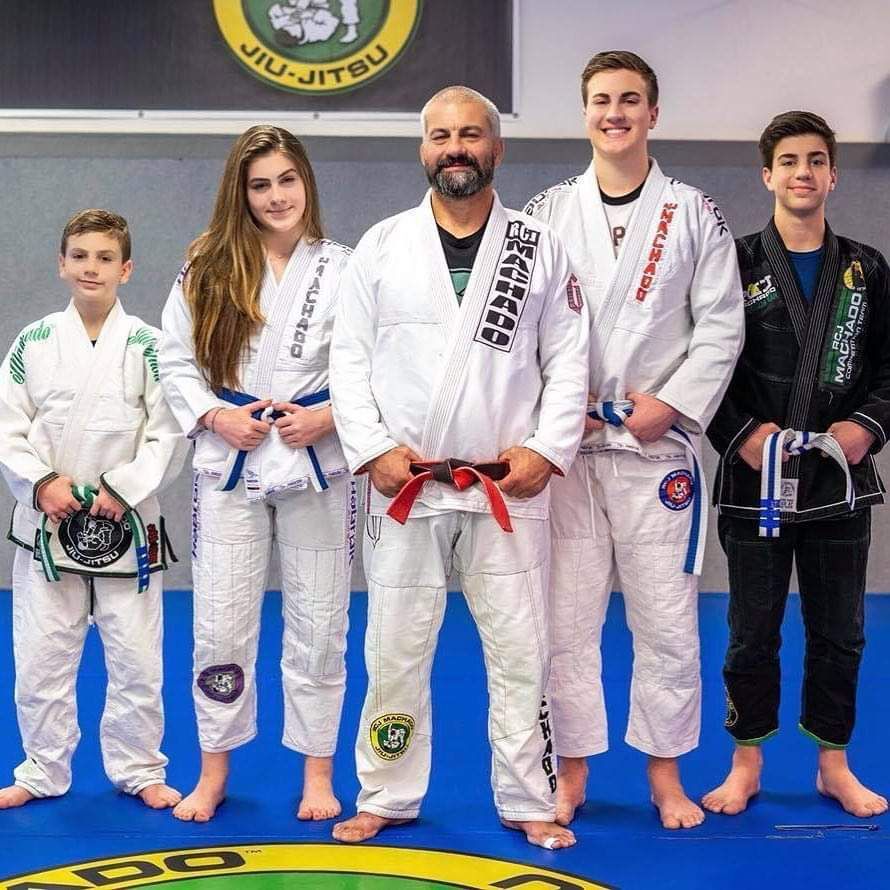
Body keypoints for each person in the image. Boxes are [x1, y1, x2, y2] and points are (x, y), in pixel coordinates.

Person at [329, 86, 589, 849]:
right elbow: (348, 362)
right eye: (440, 135)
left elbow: (569, 360)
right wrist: (373, 448)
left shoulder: (538, 246)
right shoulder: (380, 246)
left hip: (503, 484)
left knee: (520, 652)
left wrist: (545, 450)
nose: (455, 148)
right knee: (395, 649)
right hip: (407, 485)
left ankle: (528, 797)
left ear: (496, 148)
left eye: (470, 134)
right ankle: (386, 793)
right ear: (422, 150)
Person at [525, 51, 744, 829]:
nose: (614, 113)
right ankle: (573, 770)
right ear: (583, 113)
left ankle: (665, 775)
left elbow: (721, 327)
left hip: (655, 448)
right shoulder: (545, 213)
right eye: (600, 100)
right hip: (571, 449)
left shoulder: (694, 213)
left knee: (665, 619)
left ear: (654, 113)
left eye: (629, 100)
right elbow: (522, 328)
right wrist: (553, 409)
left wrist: (674, 405)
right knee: (566, 619)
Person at [159, 125, 355, 823]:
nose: (277, 196)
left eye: (287, 179)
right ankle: (213, 771)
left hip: (317, 463)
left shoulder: (345, 267)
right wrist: (216, 417)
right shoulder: (205, 268)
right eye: (260, 184)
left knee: (320, 620)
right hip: (232, 463)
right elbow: (174, 360)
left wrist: (330, 414)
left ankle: (318, 774)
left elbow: (375, 364)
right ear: (239, 193)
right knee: (219, 623)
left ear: (307, 182)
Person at [703, 111, 890, 819]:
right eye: (788, 160)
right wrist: (742, 433)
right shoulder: (734, 264)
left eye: (815, 160)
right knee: (752, 628)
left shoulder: (866, 268)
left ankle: (833, 763)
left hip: (839, 476)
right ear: (767, 175)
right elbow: (706, 366)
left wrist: (864, 429)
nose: (802, 172)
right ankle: (745, 761)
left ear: (833, 174)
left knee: (840, 627)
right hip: (758, 477)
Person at [0, 209, 187, 809]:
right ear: (62, 264)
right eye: (80, 256)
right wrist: (41, 482)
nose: (91, 267)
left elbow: (169, 431)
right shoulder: (32, 342)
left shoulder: (150, 346)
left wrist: (123, 487)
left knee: (136, 657)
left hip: (125, 526)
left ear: (126, 270)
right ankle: (41, 770)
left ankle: (139, 768)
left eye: (105, 258)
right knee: (40, 656)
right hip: (48, 523)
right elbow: (8, 428)